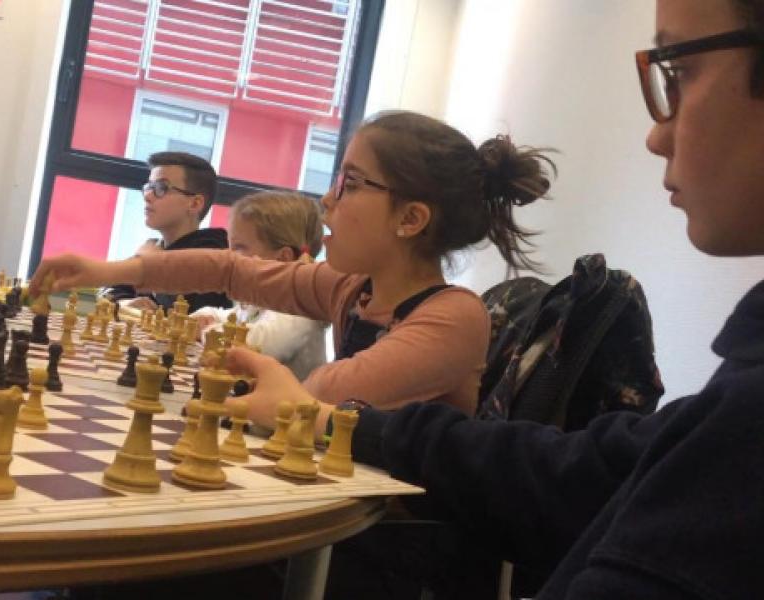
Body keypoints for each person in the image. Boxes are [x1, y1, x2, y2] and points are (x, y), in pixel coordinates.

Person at [224, 0, 764, 597]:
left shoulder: (454, 313)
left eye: (678, 72)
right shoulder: (733, 401)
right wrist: (327, 421)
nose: (656, 135)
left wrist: (313, 412)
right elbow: (578, 470)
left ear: (411, 218)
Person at [33, 113, 555, 412]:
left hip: (394, 543)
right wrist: (113, 271)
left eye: (350, 184)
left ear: (411, 218)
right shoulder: (353, 288)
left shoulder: (454, 317)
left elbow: (324, 392)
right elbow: (230, 270)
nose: (327, 200)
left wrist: (252, 370)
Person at [191, 190, 327, 381]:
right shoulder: (261, 298)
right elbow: (231, 317)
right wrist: (205, 316)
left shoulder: (301, 305)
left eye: (239, 248)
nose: (229, 257)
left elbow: (258, 345)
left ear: (282, 258)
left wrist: (208, 330)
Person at [104, 151, 231, 314]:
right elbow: (109, 288)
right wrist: (125, 303)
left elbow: (181, 312)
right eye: (149, 187)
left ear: (194, 203)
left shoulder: (214, 259)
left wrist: (152, 266)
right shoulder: (156, 247)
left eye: (161, 188)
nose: (147, 196)